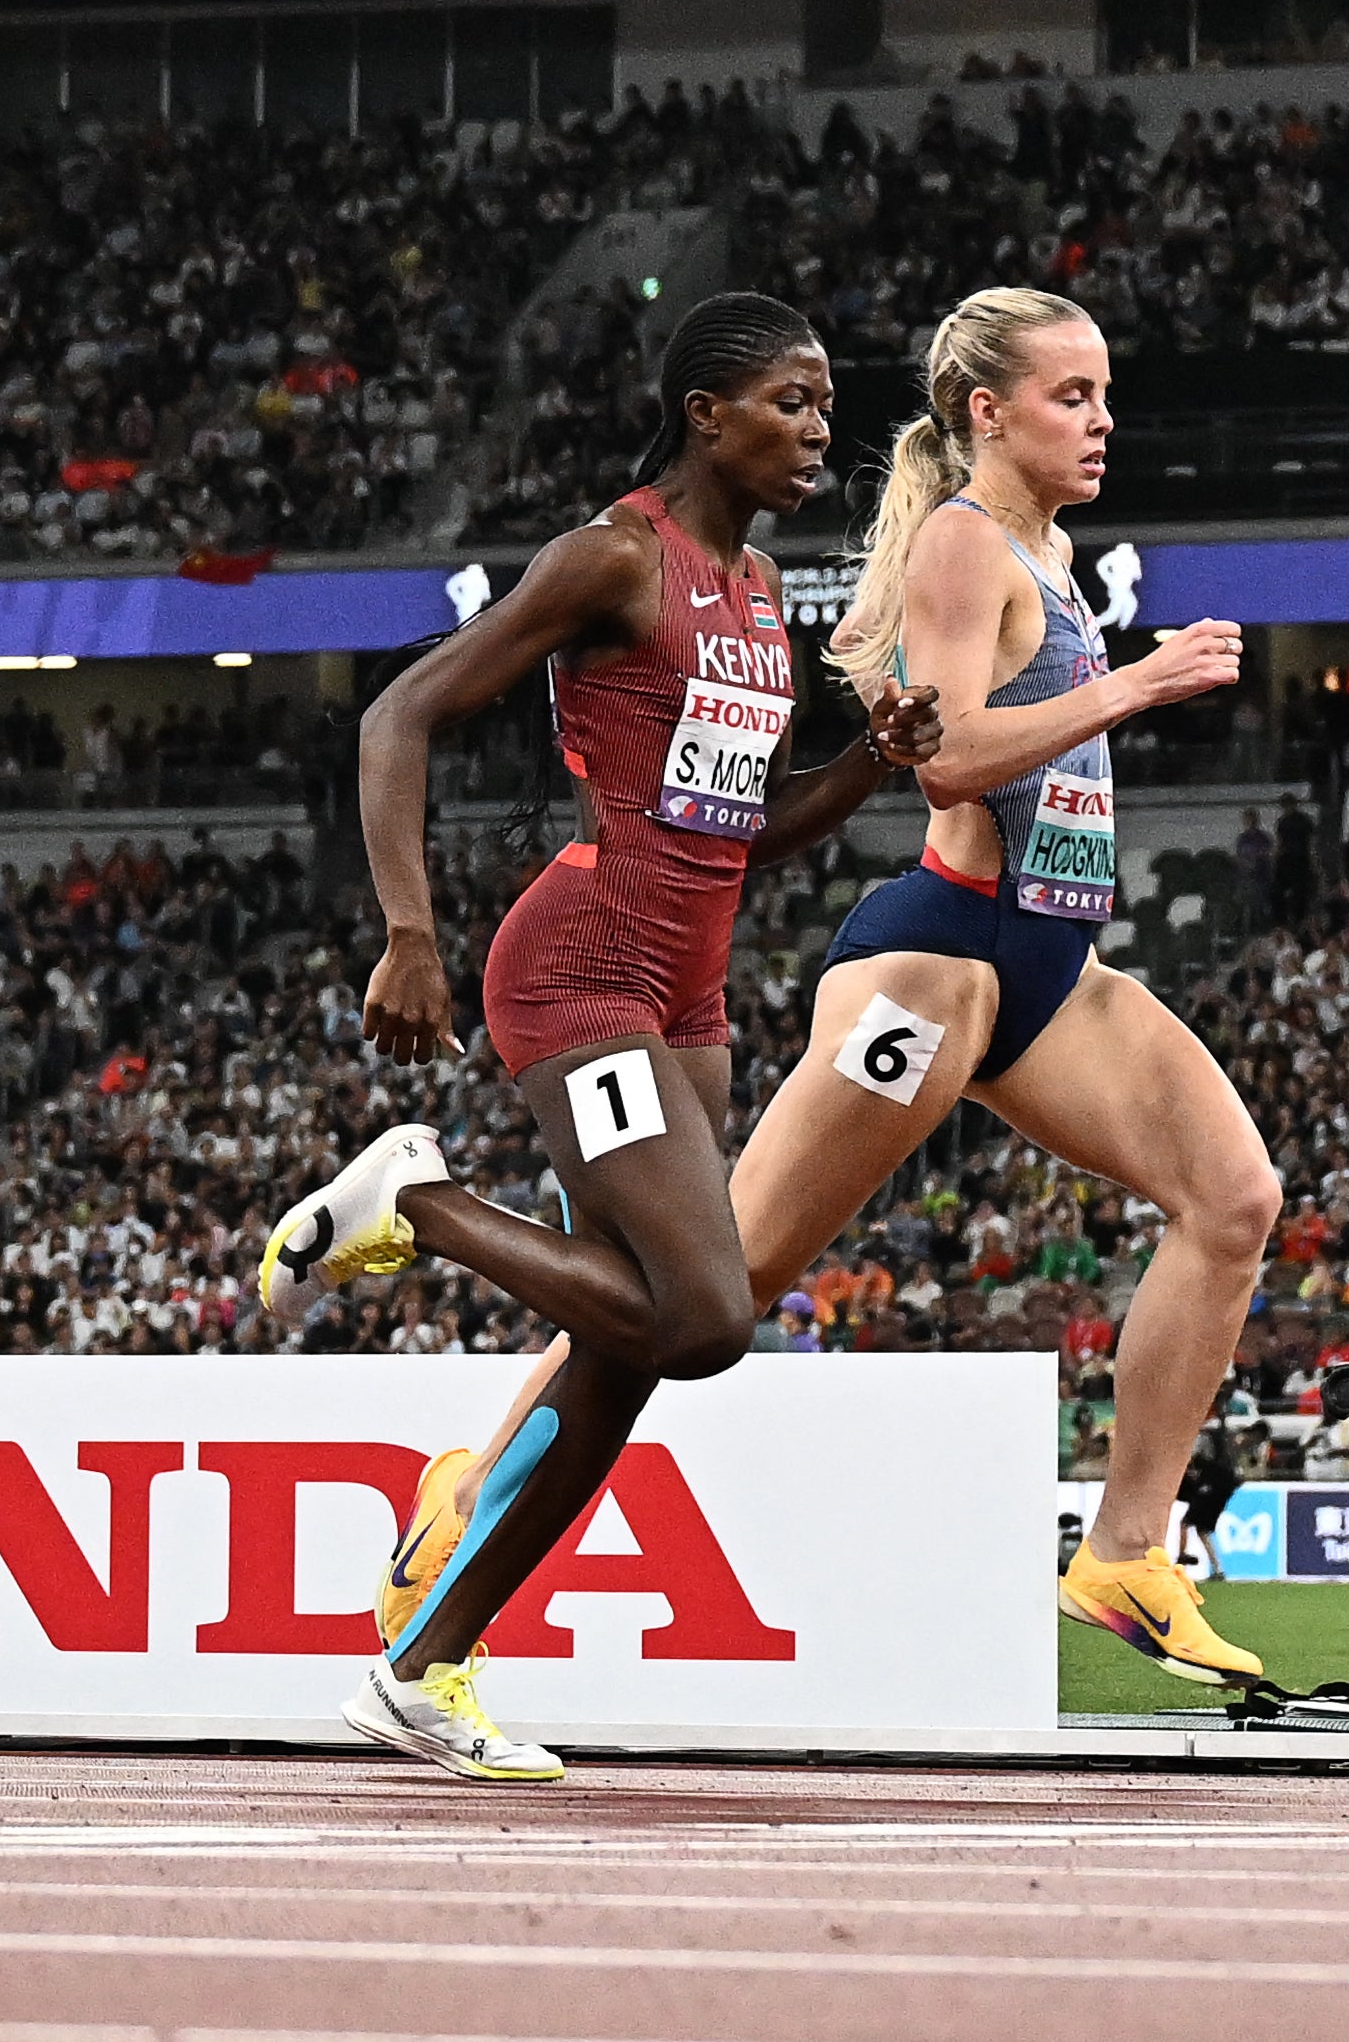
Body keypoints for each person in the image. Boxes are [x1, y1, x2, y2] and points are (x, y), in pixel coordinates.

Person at [383, 287, 1281, 1707]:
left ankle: (1124, 1550)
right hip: (936, 959)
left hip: (1054, 958)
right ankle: (476, 1472)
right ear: (987, 411)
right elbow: (958, 760)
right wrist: (1136, 688)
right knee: (717, 1286)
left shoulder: (1046, 550)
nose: (1103, 420)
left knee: (1233, 1198)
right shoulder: (960, 543)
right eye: (1072, 396)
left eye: (1106, 395)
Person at [257, 293, 943, 1781]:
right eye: (791, 402)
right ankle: (415, 1201)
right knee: (701, 1320)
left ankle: (420, 1672)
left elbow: (735, 831)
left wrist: (862, 766)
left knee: (621, 1359)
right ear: (707, 413)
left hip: (685, 1001)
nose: (821, 429)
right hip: (577, 971)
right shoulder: (612, 557)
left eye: (828, 405)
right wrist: (410, 933)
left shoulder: (759, 589)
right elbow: (397, 716)